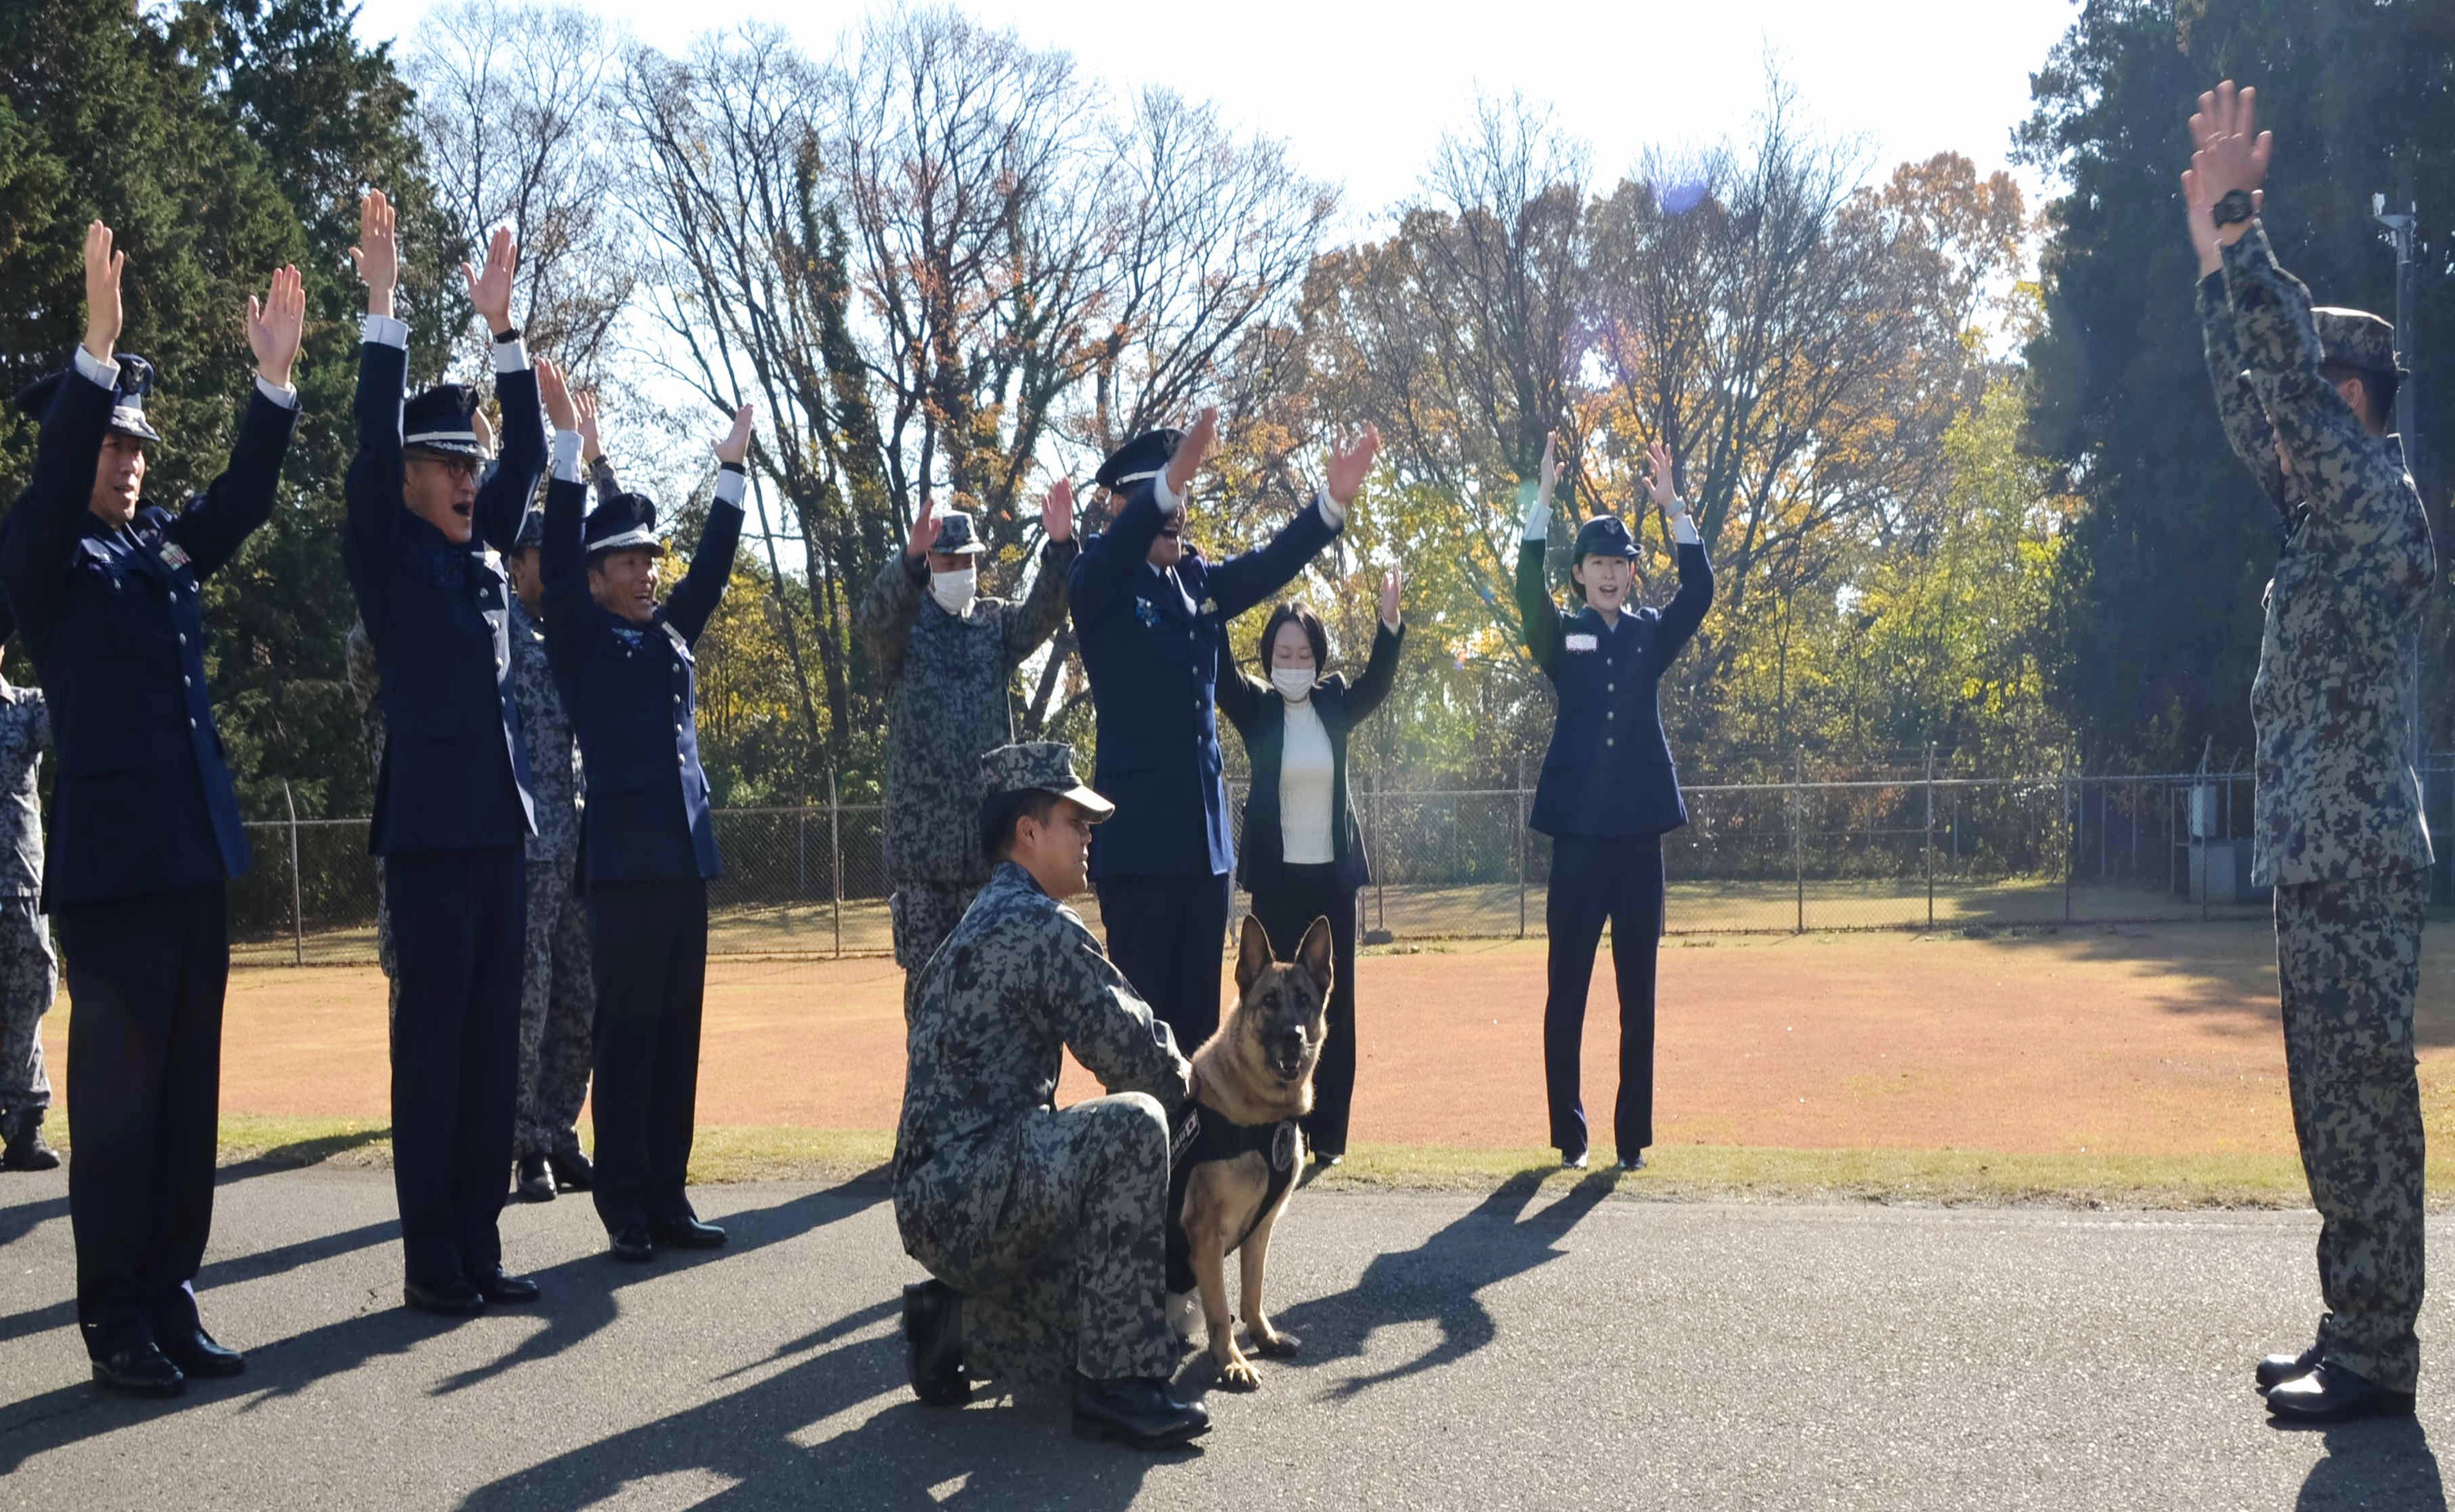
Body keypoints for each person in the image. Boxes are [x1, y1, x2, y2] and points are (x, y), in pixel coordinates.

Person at [0, 222, 303, 1393]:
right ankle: (114, 1321)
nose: (128, 462)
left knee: (185, 1104)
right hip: (114, 872)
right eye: (109, 442)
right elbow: (44, 502)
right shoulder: (44, 558)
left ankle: (171, 1298)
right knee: (119, 1110)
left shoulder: (160, 549)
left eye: (137, 445)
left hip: (190, 858)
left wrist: (271, 386)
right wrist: (94, 350)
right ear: (70, 448)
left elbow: (240, 501)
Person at [2185, 82, 2436, 1425]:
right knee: (2331, 1109)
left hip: (2358, 858)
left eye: (2305, 406)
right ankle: (2354, 1327)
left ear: (2346, 398)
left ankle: (2379, 1355)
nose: (2278, 432)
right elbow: (2255, 406)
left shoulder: (2371, 499)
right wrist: (2210, 271)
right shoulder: (2327, 510)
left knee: (2364, 1109)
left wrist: (2242, 229)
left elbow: (2275, 388)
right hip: (2323, 855)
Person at [344, 189, 547, 1316]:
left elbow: (528, 455)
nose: (469, 478)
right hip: (426, 838)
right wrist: (385, 309)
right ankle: (432, 1262)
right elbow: (367, 454)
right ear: (410, 475)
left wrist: (504, 332)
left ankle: (478, 1245)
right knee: (431, 1054)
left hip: (500, 835)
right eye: (446, 463)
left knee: (490, 1053)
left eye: (471, 462)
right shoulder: (389, 551)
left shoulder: (479, 555)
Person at [894, 740, 1206, 1448]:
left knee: (1112, 1308)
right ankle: (1118, 1387)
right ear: (1029, 832)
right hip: (977, 1190)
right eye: (1076, 822)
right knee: (1136, 1123)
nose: (1089, 835)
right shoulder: (1038, 925)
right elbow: (1136, 1058)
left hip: (939, 1202)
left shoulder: (974, 922)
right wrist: (1197, 1086)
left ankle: (952, 1324)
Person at [1069, 407, 1381, 1050]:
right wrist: (1165, 486)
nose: (1176, 510)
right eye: (1160, 494)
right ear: (1122, 506)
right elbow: (1119, 547)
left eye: (1182, 493)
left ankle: (1194, 1127)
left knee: (1197, 1044)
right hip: (1140, 853)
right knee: (1142, 1041)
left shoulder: (1195, 580)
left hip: (1203, 855)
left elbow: (1267, 565)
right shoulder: (1099, 579)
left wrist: (1330, 505)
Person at [541, 381, 755, 1263]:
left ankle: (668, 1195)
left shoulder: (668, 634)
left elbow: (709, 571)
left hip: (682, 861)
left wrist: (731, 473)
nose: (646, 571)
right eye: (628, 562)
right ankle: (625, 1205)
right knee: (626, 1038)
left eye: (649, 560)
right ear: (596, 577)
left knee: (676, 1035)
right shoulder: (582, 636)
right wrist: (569, 452)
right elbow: (561, 562)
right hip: (623, 867)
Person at [1516, 431, 1712, 1172]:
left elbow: (1700, 593)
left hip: (1637, 840)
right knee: (1565, 993)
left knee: (1639, 996)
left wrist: (1673, 507)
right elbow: (1525, 594)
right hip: (1575, 840)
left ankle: (1632, 1141)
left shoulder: (1649, 636)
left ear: (1632, 573)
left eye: (1619, 563)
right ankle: (1570, 1137)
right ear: (1579, 574)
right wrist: (1541, 503)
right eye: (1597, 563)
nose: (1608, 573)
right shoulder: (1561, 636)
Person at [854, 483, 1076, 1009]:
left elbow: (1044, 613)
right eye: (948, 560)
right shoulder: (904, 630)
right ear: (930, 564)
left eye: (967, 560)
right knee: (929, 1002)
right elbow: (871, 621)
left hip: (988, 854)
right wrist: (907, 561)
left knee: (995, 999)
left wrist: (1061, 548)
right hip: (923, 864)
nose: (960, 570)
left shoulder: (993, 625)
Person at [1214, 574, 1404, 1165]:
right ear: (1268, 658)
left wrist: (1389, 625)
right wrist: (1215, 604)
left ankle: (1329, 1139)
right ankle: (1276, 1129)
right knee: (1271, 1007)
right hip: (1277, 880)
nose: (1292, 663)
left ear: (1317, 659)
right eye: (1282, 654)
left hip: (1331, 881)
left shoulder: (1335, 702)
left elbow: (1378, 683)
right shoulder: (1258, 708)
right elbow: (1221, 673)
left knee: (1331, 1008)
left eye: (1302, 654)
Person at [497, 392, 610, 1205]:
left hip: (576, 852)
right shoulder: (501, 621)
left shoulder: (571, 631)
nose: (554, 564)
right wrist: (501, 458)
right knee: (526, 1001)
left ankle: (559, 1131)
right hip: (525, 852)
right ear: (518, 562)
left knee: (582, 999)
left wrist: (597, 464)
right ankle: (522, 1145)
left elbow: (618, 547)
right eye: (541, 553)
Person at [0, 604, 60, 1173]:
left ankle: (24, 1126)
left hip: (18, 888)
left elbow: (82, 705)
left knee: (28, 997)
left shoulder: (25, 708)